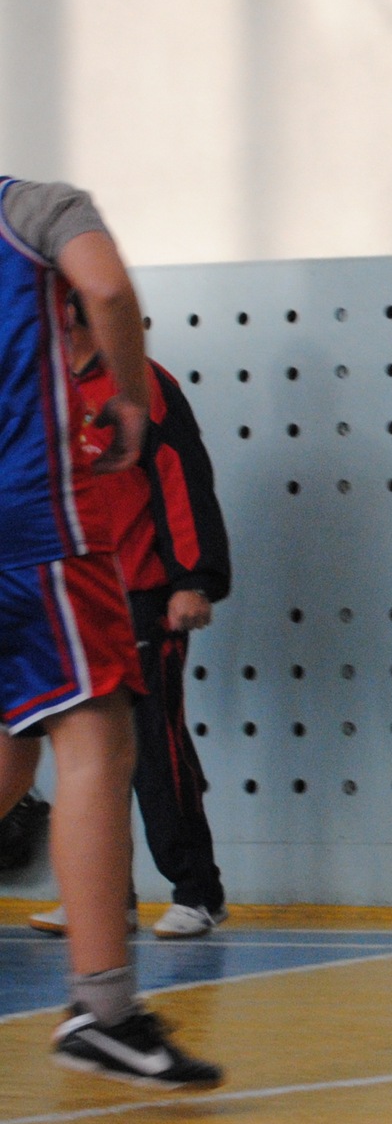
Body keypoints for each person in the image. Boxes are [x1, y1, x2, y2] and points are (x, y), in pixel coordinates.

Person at [0, 175, 219, 1087]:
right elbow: (111, 287)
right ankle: (104, 1009)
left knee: (13, 752)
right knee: (96, 739)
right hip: (34, 524)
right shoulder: (33, 211)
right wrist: (128, 396)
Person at [24, 307, 230, 939]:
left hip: (141, 594)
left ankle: (197, 892)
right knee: (84, 749)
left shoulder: (141, 384)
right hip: (69, 598)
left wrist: (192, 580)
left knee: (152, 746)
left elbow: (181, 480)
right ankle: (106, 898)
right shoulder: (39, 387)